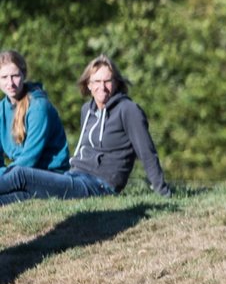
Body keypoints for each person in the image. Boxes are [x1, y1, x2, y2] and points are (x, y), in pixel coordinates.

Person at [0, 54, 171, 205]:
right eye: (96, 81)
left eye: (107, 81)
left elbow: (147, 153)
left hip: (99, 185)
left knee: (20, 175)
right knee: (19, 195)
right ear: (88, 85)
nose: (102, 87)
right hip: (73, 176)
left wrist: (162, 191)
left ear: (116, 83)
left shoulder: (128, 110)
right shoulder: (87, 110)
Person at [0, 50, 70, 173]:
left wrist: (4, 174)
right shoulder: (1, 109)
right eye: (4, 77)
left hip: (50, 173)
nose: (10, 83)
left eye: (15, 76)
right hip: (21, 174)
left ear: (23, 75)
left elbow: (29, 160)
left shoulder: (39, 107)